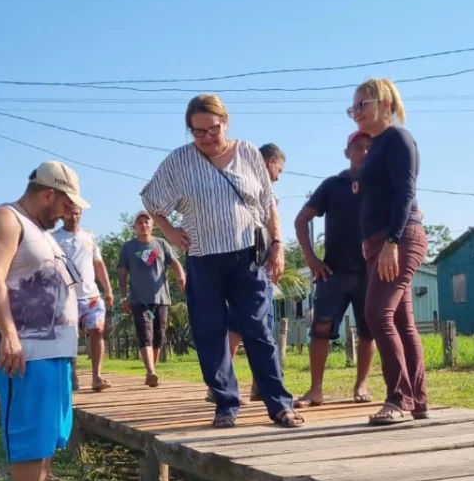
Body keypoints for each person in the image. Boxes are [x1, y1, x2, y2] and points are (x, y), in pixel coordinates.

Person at [140, 94, 303, 429]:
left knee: (259, 329)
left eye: (212, 130)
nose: (206, 138)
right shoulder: (179, 161)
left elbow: (268, 203)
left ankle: (279, 405)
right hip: (203, 258)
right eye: (198, 132)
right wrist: (170, 231)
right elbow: (151, 198)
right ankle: (226, 404)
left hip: (248, 255)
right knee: (211, 332)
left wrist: (277, 244)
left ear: (225, 122)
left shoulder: (248, 153)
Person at [0, 161, 89, 481]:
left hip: (54, 352)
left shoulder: (42, 231)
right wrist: (9, 334)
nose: (66, 213)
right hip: (24, 353)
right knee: (29, 438)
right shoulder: (6, 219)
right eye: (64, 204)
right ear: (49, 194)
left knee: (46, 436)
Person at [348, 78, 428, 425]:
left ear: (385, 104)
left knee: (377, 314)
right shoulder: (377, 145)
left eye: (362, 105)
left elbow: (406, 192)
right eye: (352, 108)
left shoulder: (398, 138)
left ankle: (398, 398)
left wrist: (392, 243)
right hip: (378, 245)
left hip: (397, 241)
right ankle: (418, 401)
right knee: (401, 322)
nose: (356, 114)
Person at [294, 131, 375, 406]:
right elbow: (301, 220)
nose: (364, 152)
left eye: (369, 147)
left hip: (370, 273)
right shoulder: (332, 185)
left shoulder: (381, 185)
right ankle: (315, 389)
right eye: (358, 148)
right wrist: (311, 259)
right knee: (321, 327)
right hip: (333, 273)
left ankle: (361, 384)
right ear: (347, 152)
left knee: (369, 331)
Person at [227, 142, 285, 399]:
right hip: (257, 264)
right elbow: (271, 223)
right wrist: (277, 248)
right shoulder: (264, 187)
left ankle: (222, 382)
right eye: (279, 170)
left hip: (234, 261)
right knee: (262, 325)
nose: (278, 176)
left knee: (237, 324)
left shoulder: (237, 180)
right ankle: (262, 384)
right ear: (271, 162)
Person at [118, 211, 187, 386]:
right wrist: (123, 297)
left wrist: (181, 276)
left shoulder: (161, 244)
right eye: (139, 222)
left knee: (158, 337)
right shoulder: (128, 247)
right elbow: (122, 274)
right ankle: (151, 371)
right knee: (145, 334)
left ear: (152, 225)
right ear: (134, 227)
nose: (143, 225)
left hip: (161, 299)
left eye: (146, 222)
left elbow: (175, 262)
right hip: (139, 301)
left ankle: (151, 372)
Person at [53, 206, 114, 393]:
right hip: (66, 296)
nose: (74, 216)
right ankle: (72, 374)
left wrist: (108, 289)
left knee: (97, 331)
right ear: (62, 214)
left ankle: (97, 376)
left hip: (91, 295)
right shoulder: (54, 238)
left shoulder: (89, 236)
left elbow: (98, 263)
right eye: (70, 212)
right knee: (70, 337)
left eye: (77, 213)